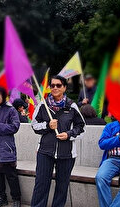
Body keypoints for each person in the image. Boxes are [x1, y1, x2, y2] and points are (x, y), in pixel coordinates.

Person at [30, 75, 86, 207]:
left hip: (66, 154)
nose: (55, 88)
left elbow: (81, 128)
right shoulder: (43, 105)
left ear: (64, 88)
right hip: (45, 152)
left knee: (62, 187)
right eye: (52, 85)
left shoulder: (71, 106)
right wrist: (48, 125)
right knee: (41, 185)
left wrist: (68, 134)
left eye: (58, 85)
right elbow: (34, 125)